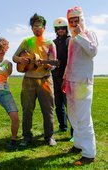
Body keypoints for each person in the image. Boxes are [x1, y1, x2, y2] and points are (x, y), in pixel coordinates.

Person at [13, 13, 57, 147]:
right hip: (28, 81)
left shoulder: (50, 43)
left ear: (44, 27)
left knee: (48, 109)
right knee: (27, 109)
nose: (37, 28)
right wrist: (20, 59)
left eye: (39, 26)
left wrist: (49, 65)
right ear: (31, 28)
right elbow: (15, 57)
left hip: (45, 80)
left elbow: (54, 64)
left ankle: (49, 137)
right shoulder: (27, 41)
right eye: (34, 26)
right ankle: (26, 137)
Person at [62, 6, 98, 165]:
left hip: (83, 83)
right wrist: (64, 78)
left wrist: (80, 34)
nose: (74, 23)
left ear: (82, 19)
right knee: (73, 115)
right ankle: (77, 145)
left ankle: (89, 154)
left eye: (77, 20)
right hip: (70, 82)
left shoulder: (89, 34)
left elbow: (92, 51)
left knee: (83, 118)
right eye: (71, 21)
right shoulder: (72, 39)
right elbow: (71, 62)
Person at [52, 17, 73, 139]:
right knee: (58, 104)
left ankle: (74, 132)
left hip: (68, 78)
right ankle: (62, 126)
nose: (60, 30)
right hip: (55, 78)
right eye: (58, 28)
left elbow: (71, 60)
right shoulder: (53, 43)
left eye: (62, 28)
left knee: (69, 105)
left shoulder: (70, 41)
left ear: (66, 29)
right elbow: (52, 60)